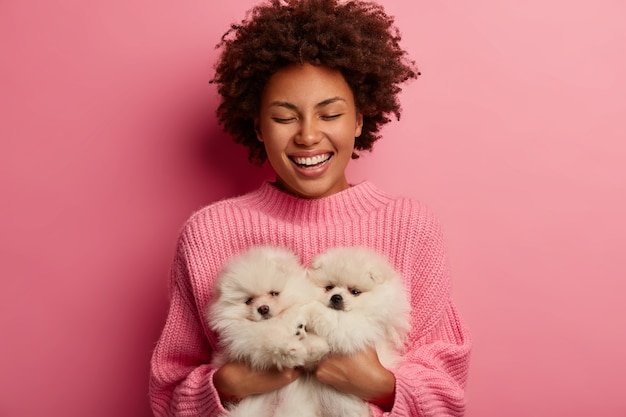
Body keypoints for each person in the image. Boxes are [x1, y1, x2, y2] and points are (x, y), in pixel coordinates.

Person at [149, 0, 471, 416]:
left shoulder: (410, 226)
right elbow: (167, 392)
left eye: (331, 113)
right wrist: (231, 384)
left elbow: (446, 393)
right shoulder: (210, 232)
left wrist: (377, 384)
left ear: (359, 119)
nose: (308, 135)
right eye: (285, 117)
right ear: (257, 127)